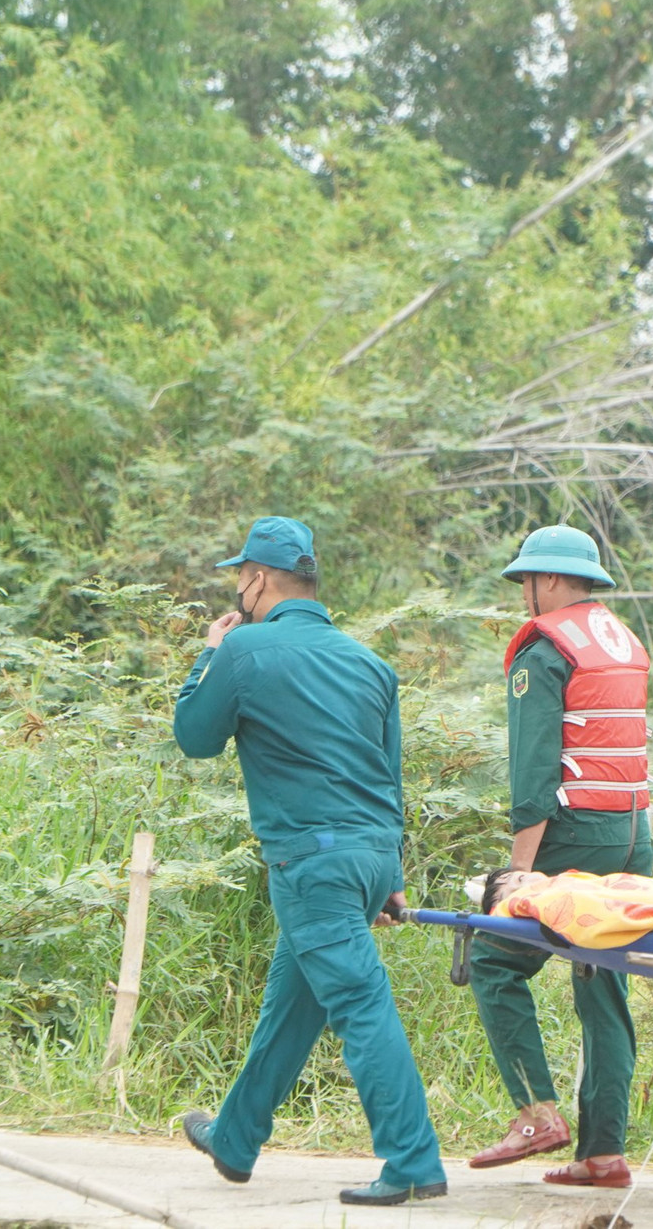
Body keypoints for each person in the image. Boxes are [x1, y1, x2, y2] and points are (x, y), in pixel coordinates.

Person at [172, 516, 448, 1208]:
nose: (239, 588)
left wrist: (209, 654)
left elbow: (195, 738)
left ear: (258, 580)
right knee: (293, 1004)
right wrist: (389, 875)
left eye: (241, 577)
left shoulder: (245, 651)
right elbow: (389, 777)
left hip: (311, 863)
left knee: (358, 1000)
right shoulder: (369, 664)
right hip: (370, 857)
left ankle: (413, 1160)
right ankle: (235, 1138)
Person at [466, 524, 653, 1189]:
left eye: (525, 581)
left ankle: (534, 1110)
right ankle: (603, 1151)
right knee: (603, 980)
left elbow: (535, 772)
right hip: (634, 834)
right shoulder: (621, 639)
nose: (524, 594)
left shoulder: (543, 651)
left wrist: (518, 875)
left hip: (574, 833)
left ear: (544, 580)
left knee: (493, 959)